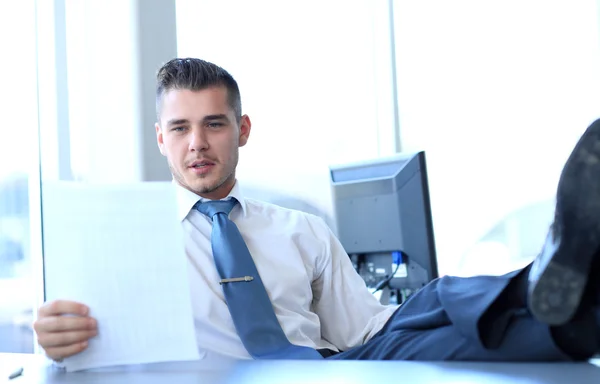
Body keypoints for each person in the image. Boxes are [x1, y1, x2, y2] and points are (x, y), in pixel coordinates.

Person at [33, 57, 600, 364]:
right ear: (161, 138)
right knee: (436, 316)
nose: (197, 144)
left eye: (214, 123)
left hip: (325, 375)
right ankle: (579, 324)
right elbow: (72, 335)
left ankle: (555, 282)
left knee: (432, 306)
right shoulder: (126, 237)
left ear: (242, 130)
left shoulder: (298, 229)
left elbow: (366, 330)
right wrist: (53, 336)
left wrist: (431, 318)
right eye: (180, 128)